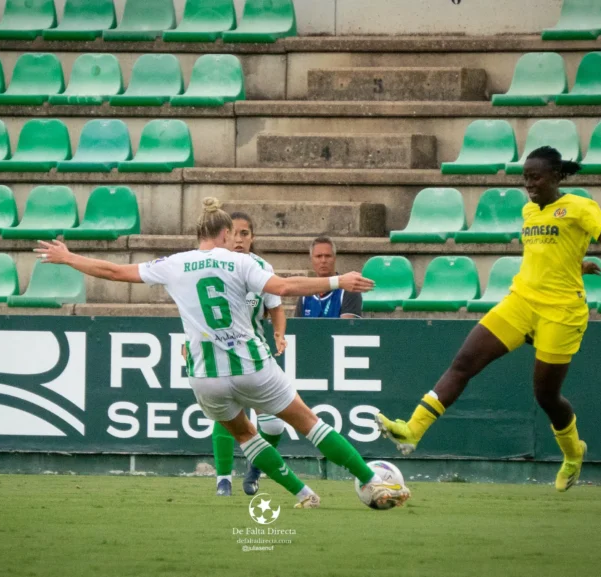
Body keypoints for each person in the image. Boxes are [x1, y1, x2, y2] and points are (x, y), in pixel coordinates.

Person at [37, 198, 409, 509]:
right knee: (309, 423)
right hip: (251, 365)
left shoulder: (173, 264)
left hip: (205, 377)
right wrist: (337, 280)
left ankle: (304, 495)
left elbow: (115, 272)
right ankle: (371, 480)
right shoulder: (241, 261)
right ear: (226, 234)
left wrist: (69, 257)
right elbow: (284, 287)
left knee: (245, 435)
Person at [376, 146, 601, 492]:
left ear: (555, 176)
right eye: (526, 178)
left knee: (546, 396)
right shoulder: (529, 211)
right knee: (464, 362)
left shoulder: (581, 207)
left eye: (536, 177)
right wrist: (575, 264)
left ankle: (572, 453)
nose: (529, 184)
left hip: (561, 312)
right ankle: (412, 430)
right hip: (521, 302)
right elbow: (545, 253)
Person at [210, 212, 290, 497]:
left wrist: (279, 333)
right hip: (219, 351)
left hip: (254, 353)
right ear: (225, 235)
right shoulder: (211, 266)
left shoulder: (262, 268)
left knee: (275, 423)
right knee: (227, 415)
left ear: (252, 237)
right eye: (234, 233)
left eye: (245, 233)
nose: (239, 239)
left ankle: (255, 471)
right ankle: (223, 480)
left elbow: (276, 307)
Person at [294, 237, 363, 319]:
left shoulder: (348, 289)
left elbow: (347, 326)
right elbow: (297, 326)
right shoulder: (305, 294)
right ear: (311, 259)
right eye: (318, 256)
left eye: (327, 256)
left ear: (334, 258)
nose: (323, 260)